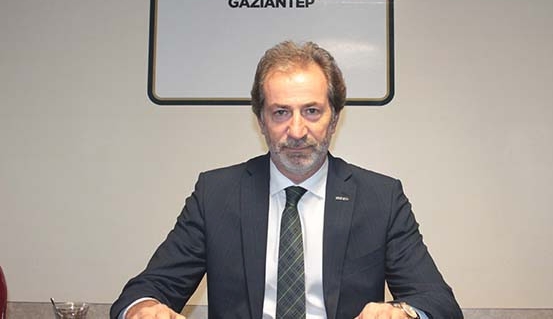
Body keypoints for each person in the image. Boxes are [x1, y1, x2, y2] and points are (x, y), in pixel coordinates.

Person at [110, 41, 462, 319]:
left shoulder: (380, 198)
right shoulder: (216, 195)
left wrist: (402, 313)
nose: (296, 131)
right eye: (280, 112)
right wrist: (144, 309)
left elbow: (438, 302)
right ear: (261, 121)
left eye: (312, 111)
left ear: (334, 118)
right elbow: (145, 290)